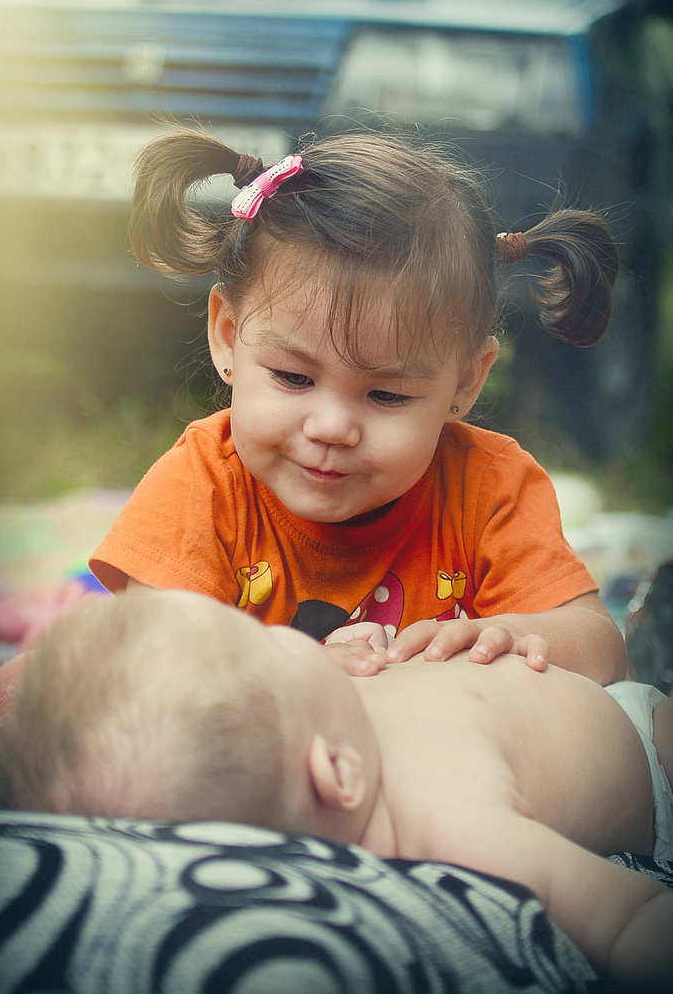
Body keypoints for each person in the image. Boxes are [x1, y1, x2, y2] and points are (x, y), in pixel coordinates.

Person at [88, 126, 625, 682]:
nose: (332, 428)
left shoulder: (489, 488)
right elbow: (155, 664)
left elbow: (602, 648)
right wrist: (298, 668)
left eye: (387, 394)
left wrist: (513, 637)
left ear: (465, 382)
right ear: (228, 335)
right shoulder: (202, 485)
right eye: (294, 377)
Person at [0, 589, 673, 991]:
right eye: (273, 643)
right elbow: (622, 920)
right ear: (337, 774)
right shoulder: (453, 819)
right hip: (641, 744)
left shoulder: (320, 726)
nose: (299, 639)